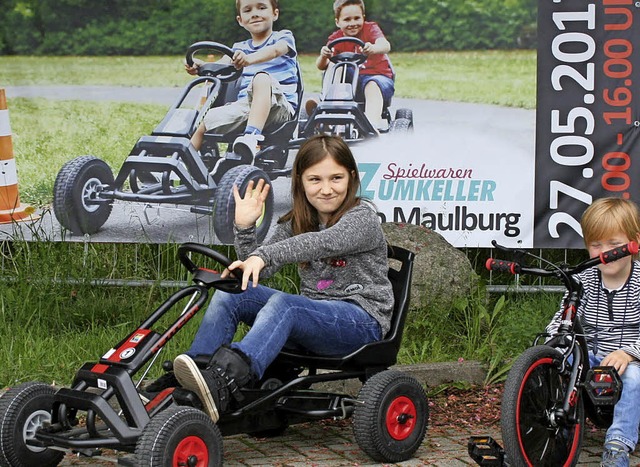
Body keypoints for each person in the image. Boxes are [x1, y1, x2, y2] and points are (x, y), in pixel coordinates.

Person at [167, 134, 393, 422]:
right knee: (233, 293)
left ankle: (228, 381)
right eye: (315, 180)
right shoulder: (296, 220)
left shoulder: (362, 219)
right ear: (300, 181)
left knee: (286, 304)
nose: (326, 189)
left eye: (336, 178)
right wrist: (245, 228)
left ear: (351, 177)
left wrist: (265, 256)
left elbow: (322, 243)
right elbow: (260, 268)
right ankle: (197, 377)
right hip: (314, 318)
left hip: (361, 322)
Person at [545, 197, 640, 467]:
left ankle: (618, 444)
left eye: (613, 244)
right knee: (562, 364)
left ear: (635, 242)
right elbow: (562, 320)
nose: (604, 252)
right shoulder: (582, 280)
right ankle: (559, 430)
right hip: (592, 357)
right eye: (596, 245)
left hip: (631, 359)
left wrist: (630, 354)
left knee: (633, 377)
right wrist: (557, 346)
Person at [187, 0, 299, 160]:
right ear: (240, 20)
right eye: (247, 10)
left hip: (279, 108)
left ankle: (251, 138)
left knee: (261, 78)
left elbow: (275, 51)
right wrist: (200, 66)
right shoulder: (238, 49)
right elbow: (219, 66)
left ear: (275, 14)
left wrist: (249, 59)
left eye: (261, 8)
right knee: (202, 121)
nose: (254, 13)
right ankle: (182, 164)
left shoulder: (283, 37)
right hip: (245, 108)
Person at [310, 0, 394, 131]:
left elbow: (385, 45)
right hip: (349, 85)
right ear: (338, 22)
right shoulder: (335, 38)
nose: (353, 23)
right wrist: (323, 56)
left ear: (363, 18)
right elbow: (322, 66)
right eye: (347, 19)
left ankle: (371, 124)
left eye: (357, 18)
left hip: (377, 79)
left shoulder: (370, 29)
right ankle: (328, 109)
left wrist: (374, 48)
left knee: (372, 84)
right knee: (333, 64)